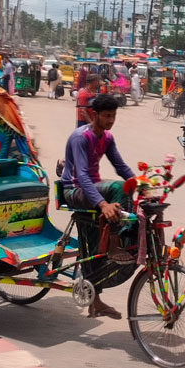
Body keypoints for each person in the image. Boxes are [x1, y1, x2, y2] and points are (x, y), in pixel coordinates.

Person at [60, 94, 135, 320]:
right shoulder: (80, 137)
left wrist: (141, 183)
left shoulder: (108, 138)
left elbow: (120, 166)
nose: (111, 120)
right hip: (74, 190)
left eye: (113, 116)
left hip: (90, 188)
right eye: (106, 116)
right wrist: (102, 204)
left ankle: (96, 303)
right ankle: (114, 244)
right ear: (95, 115)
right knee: (119, 189)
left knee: (126, 187)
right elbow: (81, 175)